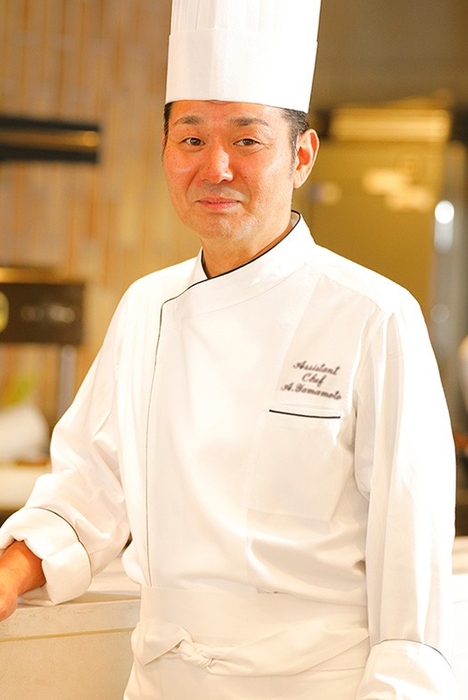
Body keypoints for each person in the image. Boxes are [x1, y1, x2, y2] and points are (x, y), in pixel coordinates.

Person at [0, 1, 458, 698]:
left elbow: (411, 588)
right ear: (165, 151)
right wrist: (11, 570)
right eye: (191, 139)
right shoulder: (147, 307)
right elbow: (90, 487)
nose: (215, 168)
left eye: (247, 140)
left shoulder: (376, 317)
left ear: (301, 156)